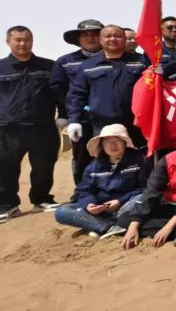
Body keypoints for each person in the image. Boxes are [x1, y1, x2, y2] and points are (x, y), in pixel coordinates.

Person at [0, 26, 62, 222]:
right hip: (8, 129)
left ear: (32, 41)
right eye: (17, 40)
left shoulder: (49, 66)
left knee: (44, 165)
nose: (22, 44)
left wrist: (64, 116)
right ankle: (7, 205)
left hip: (42, 126)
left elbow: (60, 93)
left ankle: (41, 199)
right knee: (5, 168)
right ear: (8, 42)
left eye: (26, 39)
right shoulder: (1, 67)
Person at [54, 125, 150, 238]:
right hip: (101, 210)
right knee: (62, 211)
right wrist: (89, 204)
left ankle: (97, 226)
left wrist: (119, 201)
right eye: (107, 142)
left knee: (142, 198)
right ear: (102, 145)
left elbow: (145, 188)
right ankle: (108, 227)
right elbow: (84, 191)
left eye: (117, 141)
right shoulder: (93, 166)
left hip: (127, 206)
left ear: (124, 142)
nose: (112, 145)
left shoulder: (139, 161)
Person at [66, 25, 147, 148]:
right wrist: (74, 120)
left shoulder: (142, 62)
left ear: (125, 39)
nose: (113, 39)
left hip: (136, 124)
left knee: (138, 158)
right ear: (100, 40)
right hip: (101, 125)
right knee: (105, 157)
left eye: (117, 36)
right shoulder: (88, 65)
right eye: (108, 36)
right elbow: (76, 94)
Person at [51, 18, 104, 187]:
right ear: (78, 39)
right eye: (85, 35)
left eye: (95, 34)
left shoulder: (113, 58)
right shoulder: (65, 61)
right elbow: (58, 89)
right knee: (81, 156)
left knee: (112, 153)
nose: (91, 38)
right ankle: (82, 190)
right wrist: (65, 114)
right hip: (80, 118)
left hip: (109, 116)